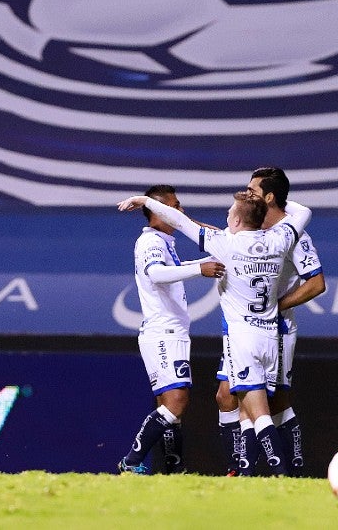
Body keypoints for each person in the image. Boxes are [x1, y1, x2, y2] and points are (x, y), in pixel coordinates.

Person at [118, 188, 312, 476]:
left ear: (235, 222)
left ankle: (274, 470)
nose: (180, 210)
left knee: (254, 412)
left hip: (241, 338)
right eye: (174, 206)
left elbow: (185, 225)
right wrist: (272, 200)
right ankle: (244, 470)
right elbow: (304, 213)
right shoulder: (279, 239)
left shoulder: (226, 243)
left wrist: (145, 202)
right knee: (228, 406)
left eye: (230, 214)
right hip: (269, 335)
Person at [215, 167, 325, 477]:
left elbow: (316, 283)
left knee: (273, 404)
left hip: (275, 329)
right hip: (241, 328)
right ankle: (240, 469)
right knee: (227, 395)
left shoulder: (293, 234)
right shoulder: (247, 229)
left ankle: (293, 471)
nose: (247, 194)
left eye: (252, 189)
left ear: (270, 196)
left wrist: (276, 306)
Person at [116, 185, 226, 475]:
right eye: (175, 207)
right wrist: (197, 270)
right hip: (163, 332)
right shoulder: (151, 242)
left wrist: (201, 263)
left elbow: (170, 268)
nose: (181, 213)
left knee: (171, 406)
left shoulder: (163, 241)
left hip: (171, 331)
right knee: (176, 402)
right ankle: (131, 461)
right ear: (158, 211)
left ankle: (174, 469)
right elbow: (156, 274)